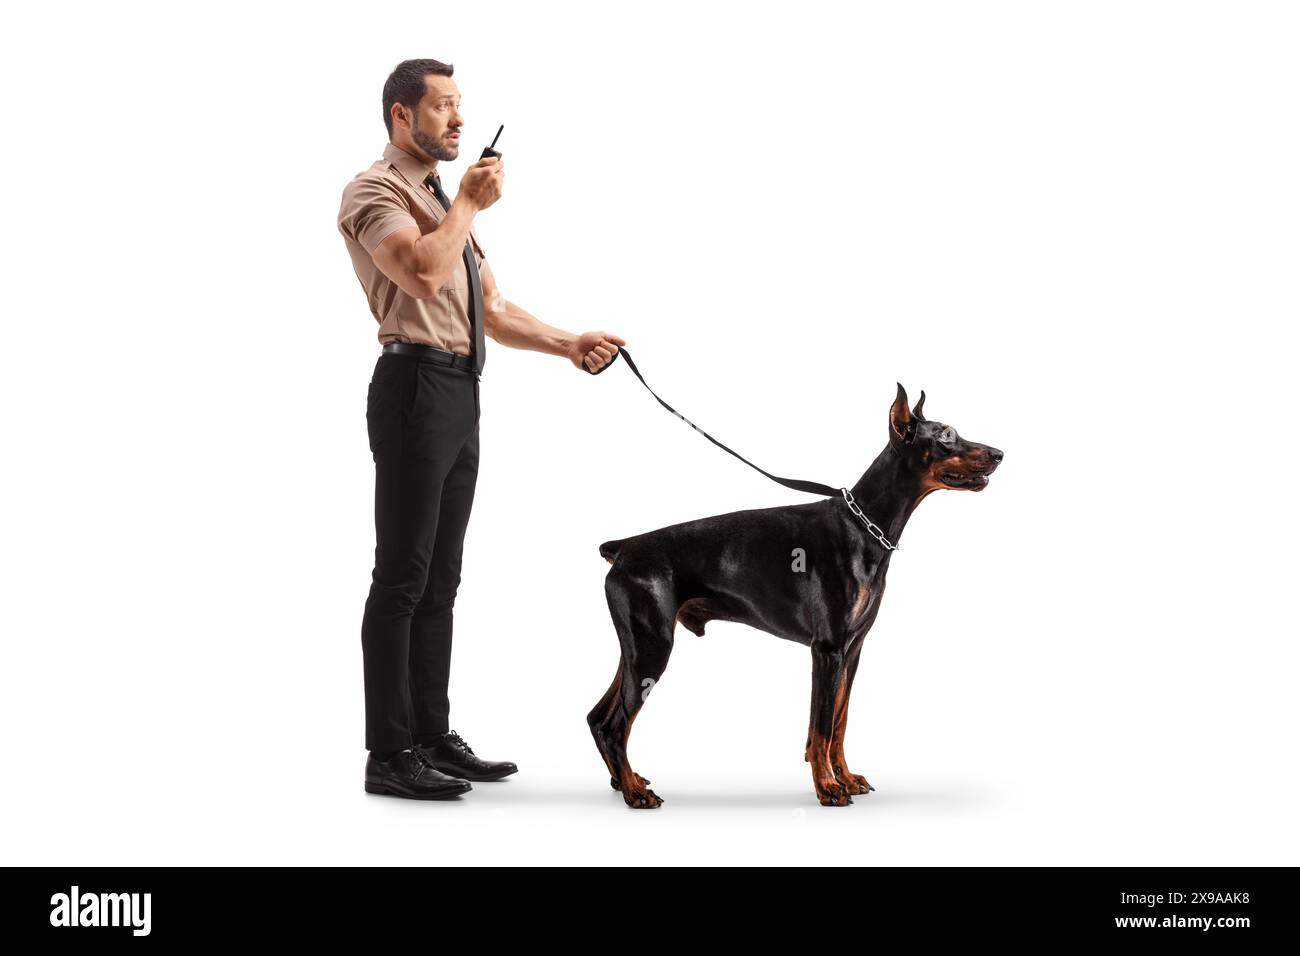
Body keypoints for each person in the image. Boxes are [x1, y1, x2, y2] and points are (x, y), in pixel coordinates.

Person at [338, 58, 626, 800]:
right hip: (411, 387)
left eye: (461, 106)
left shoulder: (440, 197)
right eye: (441, 108)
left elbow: (490, 309)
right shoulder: (377, 191)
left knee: (441, 578)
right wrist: (465, 202)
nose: (459, 120)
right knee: (400, 576)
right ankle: (388, 753)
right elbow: (423, 275)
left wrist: (568, 343)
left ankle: (430, 735)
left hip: (461, 391)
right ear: (402, 117)